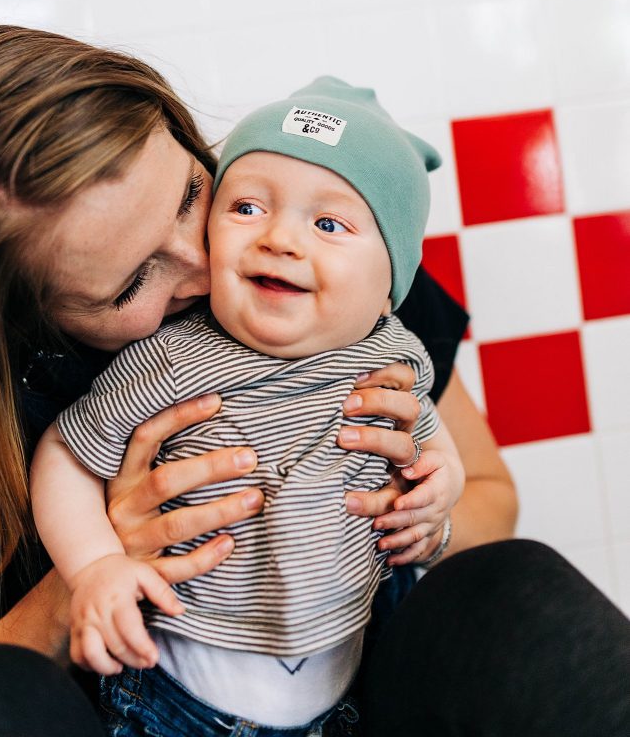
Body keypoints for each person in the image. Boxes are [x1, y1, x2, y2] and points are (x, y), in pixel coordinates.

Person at [0, 24, 625, 736]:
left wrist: (417, 516)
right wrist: (93, 566)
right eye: (131, 283)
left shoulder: (332, 251)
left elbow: (491, 501)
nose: (209, 263)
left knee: (511, 581)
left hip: (358, 677)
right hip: (159, 703)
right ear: (22, 321)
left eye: (189, 195)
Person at [30, 77, 466, 733]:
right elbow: (65, 453)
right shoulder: (172, 361)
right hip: (186, 694)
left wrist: (440, 492)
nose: (279, 239)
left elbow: (433, 442)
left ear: (388, 287)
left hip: (358, 666)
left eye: (326, 224)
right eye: (247, 209)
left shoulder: (394, 353)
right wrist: (94, 566)